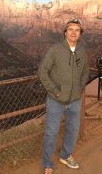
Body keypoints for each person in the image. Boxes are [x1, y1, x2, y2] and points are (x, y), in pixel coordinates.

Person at [38, 18, 90, 174]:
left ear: (80, 33)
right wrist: (55, 91)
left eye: (77, 30)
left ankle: (65, 155)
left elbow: (86, 71)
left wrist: (80, 87)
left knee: (73, 130)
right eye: (70, 29)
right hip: (56, 100)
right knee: (51, 132)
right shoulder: (55, 49)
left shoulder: (82, 50)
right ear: (65, 33)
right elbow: (42, 72)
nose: (74, 32)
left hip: (75, 100)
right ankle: (48, 163)